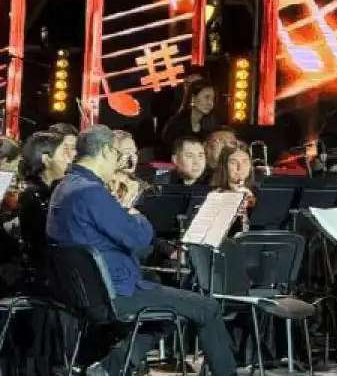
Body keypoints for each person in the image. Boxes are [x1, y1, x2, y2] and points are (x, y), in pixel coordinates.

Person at [46, 125, 237, 376]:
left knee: (175, 312)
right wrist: (134, 213)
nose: (118, 164)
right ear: (104, 152)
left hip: (85, 292)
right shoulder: (90, 192)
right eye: (116, 155)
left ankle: (107, 369)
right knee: (207, 307)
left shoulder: (65, 188)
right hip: (114, 293)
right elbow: (139, 239)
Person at [18, 131, 73, 271]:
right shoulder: (33, 194)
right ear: (46, 159)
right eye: (63, 153)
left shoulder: (51, 190)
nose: (70, 158)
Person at [160, 79, 219, 159]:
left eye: (212, 99)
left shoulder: (211, 124)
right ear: (193, 99)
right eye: (207, 97)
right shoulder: (176, 125)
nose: (210, 103)